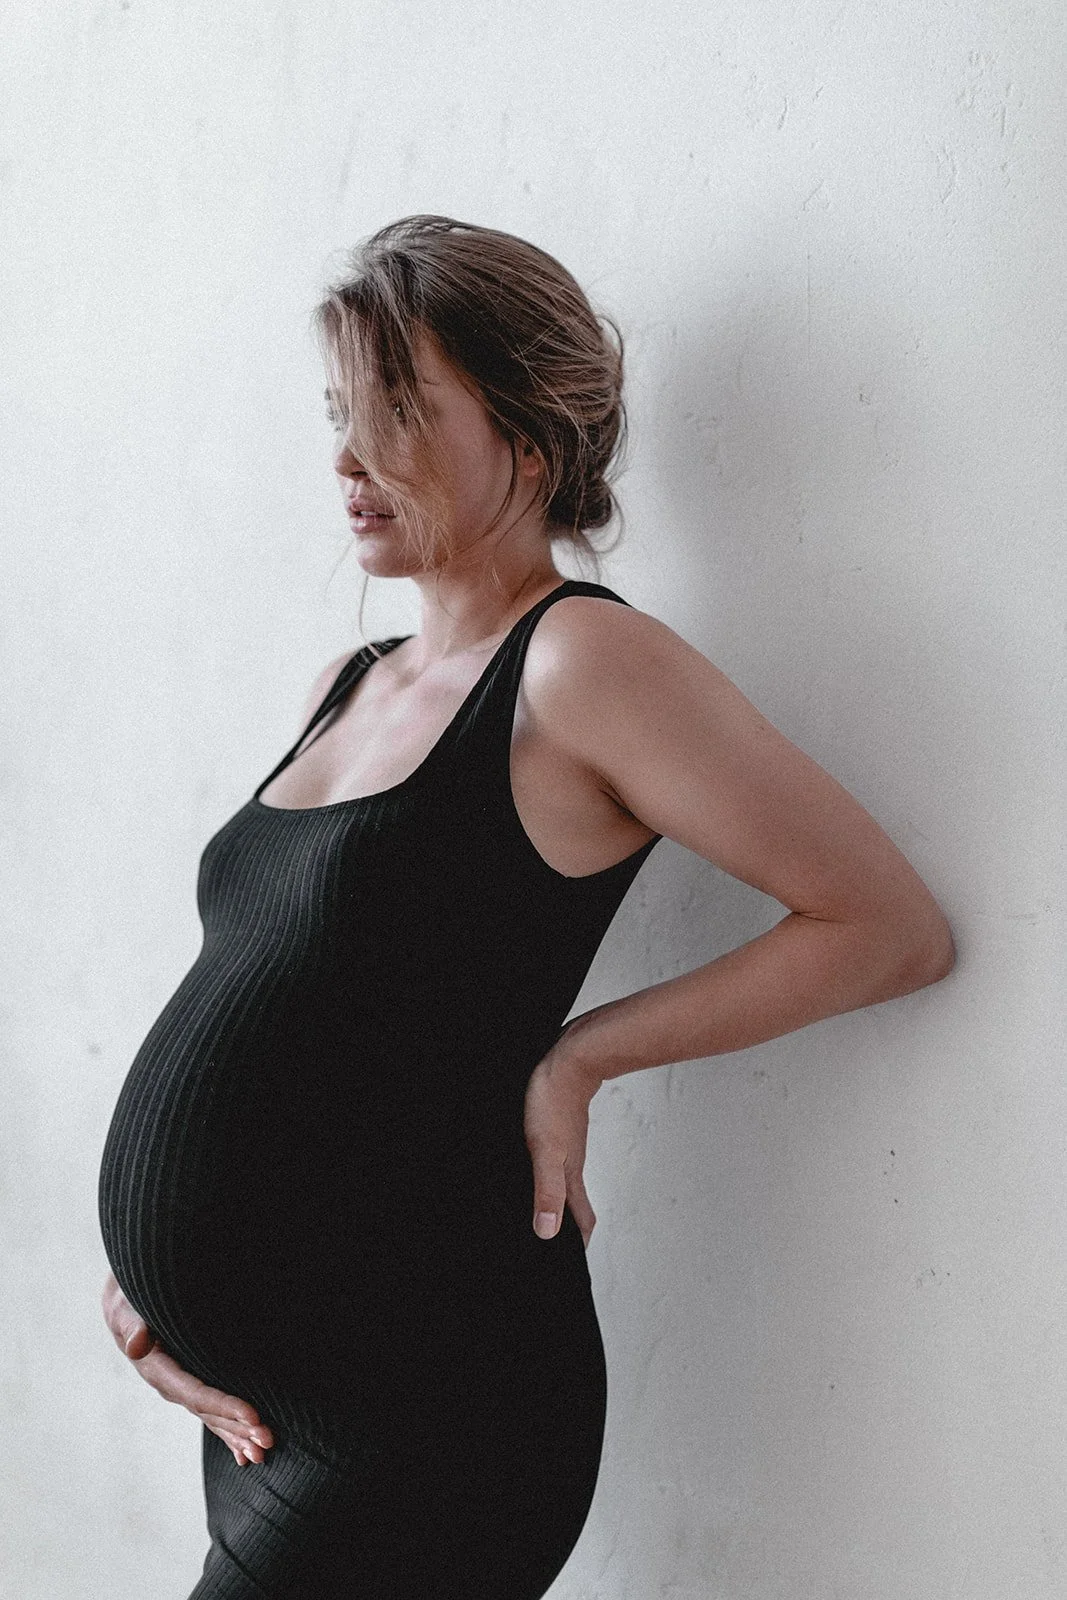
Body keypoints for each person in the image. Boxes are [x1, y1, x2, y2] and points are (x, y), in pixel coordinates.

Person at [98, 214, 955, 1598]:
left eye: (394, 411)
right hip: (276, 1411)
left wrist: (582, 1056)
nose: (344, 456)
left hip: (435, 1395)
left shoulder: (582, 667)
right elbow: (291, 1009)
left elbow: (882, 925)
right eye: (337, 411)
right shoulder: (348, 680)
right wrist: (154, 1273)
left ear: (530, 440)